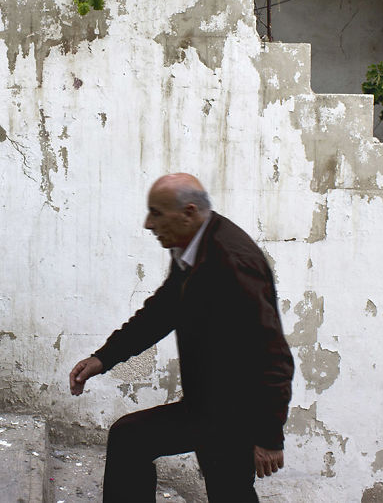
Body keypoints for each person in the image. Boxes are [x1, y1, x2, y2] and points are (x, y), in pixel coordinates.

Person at [69, 173, 294, 502]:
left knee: (226, 489)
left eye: (156, 213)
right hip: (208, 407)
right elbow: (161, 312)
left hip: (234, 416)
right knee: (130, 440)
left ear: (189, 212)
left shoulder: (233, 262)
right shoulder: (192, 248)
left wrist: (269, 436)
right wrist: (104, 357)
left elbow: (274, 354)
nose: (148, 223)